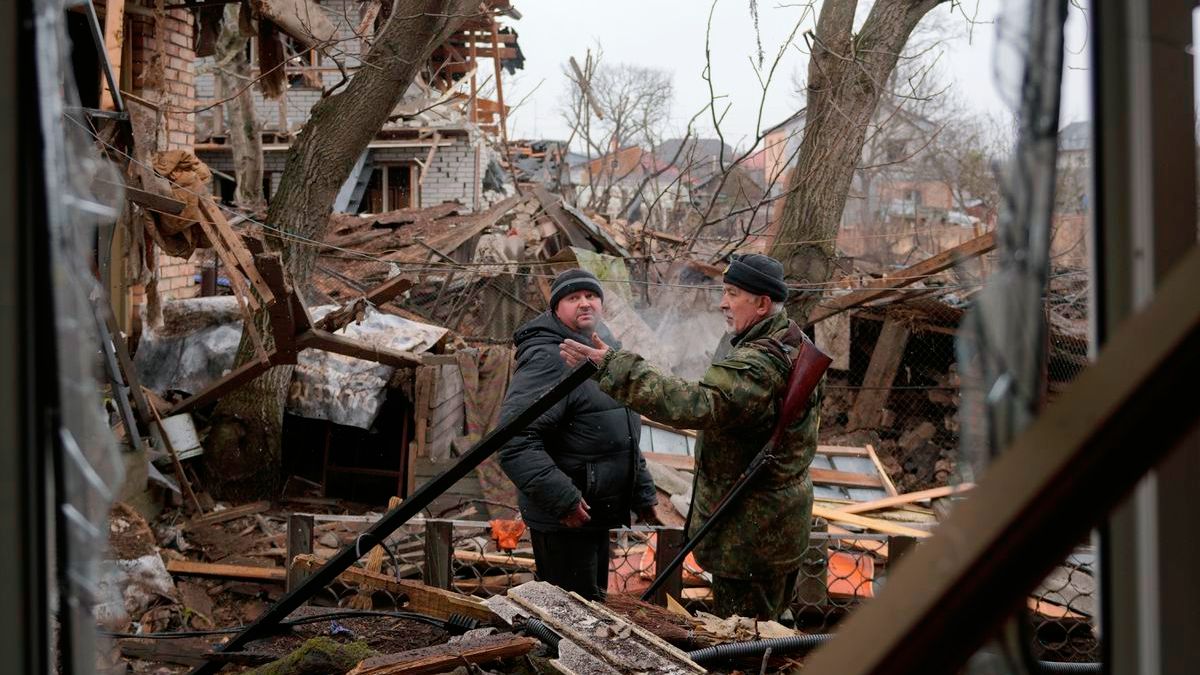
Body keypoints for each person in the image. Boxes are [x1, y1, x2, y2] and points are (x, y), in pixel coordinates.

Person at [560, 253, 821, 620]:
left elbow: (695, 404)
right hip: (764, 528)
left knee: (741, 640)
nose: (722, 303)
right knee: (763, 632)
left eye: (732, 294)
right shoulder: (782, 338)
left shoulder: (760, 365)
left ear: (762, 304)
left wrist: (614, 367)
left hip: (751, 535)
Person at [497, 268, 659, 601]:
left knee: (591, 607)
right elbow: (514, 441)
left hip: (596, 513)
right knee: (569, 616)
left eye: (591, 296)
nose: (584, 303)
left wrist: (641, 492)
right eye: (573, 298)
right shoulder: (550, 357)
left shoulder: (605, 351)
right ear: (556, 309)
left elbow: (621, 429)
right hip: (566, 521)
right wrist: (564, 500)